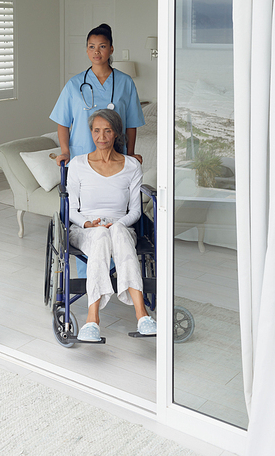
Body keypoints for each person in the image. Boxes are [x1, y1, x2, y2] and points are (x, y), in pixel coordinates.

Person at [67, 109, 157, 341]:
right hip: (85, 230)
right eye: (96, 130)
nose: (101, 136)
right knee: (100, 236)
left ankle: (141, 316)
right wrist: (89, 224)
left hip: (121, 228)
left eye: (107, 130)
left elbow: (136, 211)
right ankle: (93, 319)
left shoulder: (131, 165)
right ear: (91, 133)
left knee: (114, 231)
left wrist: (117, 222)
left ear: (116, 133)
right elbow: (72, 209)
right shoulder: (77, 164)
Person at [50, 23, 144, 165]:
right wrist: (65, 152)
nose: (96, 52)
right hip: (81, 155)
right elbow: (63, 123)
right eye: (91, 46)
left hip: (116, 156)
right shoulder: (74, 84)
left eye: (102, 46)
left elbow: (131, 124)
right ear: (87, 50)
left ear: (111, 49)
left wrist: (130, 154)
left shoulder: (125, 82)